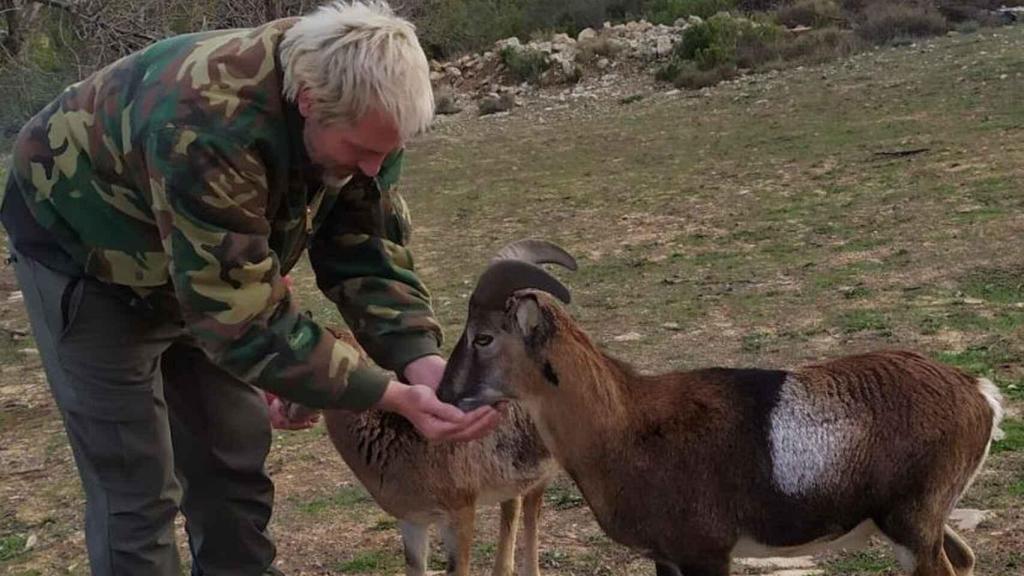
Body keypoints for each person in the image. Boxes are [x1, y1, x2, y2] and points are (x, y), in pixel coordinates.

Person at [0, 2, 500, 574]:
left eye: (387, 151)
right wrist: (386, 394)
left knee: (231, 460)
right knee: (136, 489)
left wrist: (422, 361)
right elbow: (243, 322)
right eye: (362, 151)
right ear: (308, 102)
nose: (373, 167)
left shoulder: (368, 115)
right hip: (86, 258)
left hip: (207, 267)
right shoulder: (208, 123)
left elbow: (366, 252)